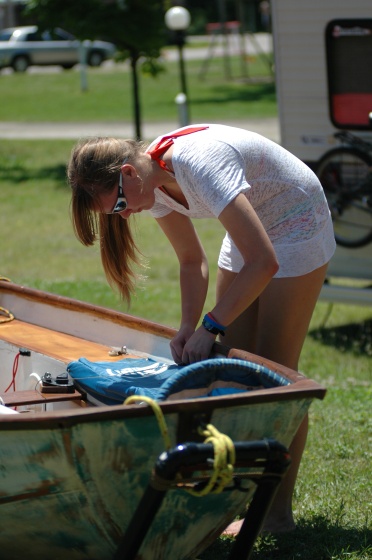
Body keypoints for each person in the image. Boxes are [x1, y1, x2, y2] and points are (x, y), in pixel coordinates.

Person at [67, 124, 336, 534]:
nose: (125, 215)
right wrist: (188, 327)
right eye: (115, 213)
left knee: (276, 375)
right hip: (251, 231)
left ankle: (277, 515)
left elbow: (264, 261)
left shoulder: (199, 164)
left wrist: (211, 326)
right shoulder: (148, 183)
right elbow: (192, 261)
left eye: (119, 204)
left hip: (295, 218)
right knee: (232, 373)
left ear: (127, 172)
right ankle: (238, 504)